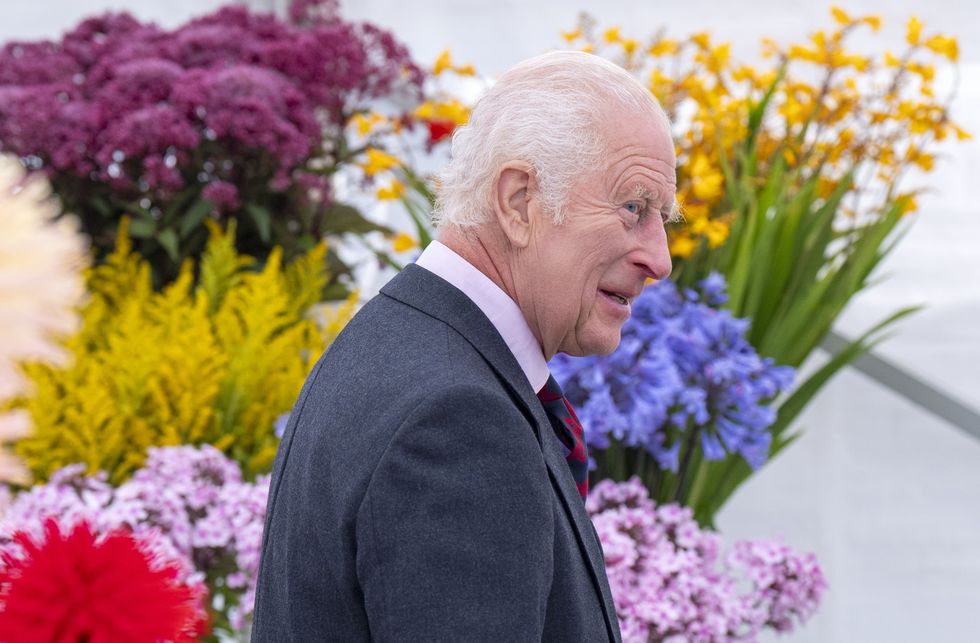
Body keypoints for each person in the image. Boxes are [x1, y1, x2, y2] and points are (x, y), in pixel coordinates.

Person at [251, 50, 677, 641]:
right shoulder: (458, 421)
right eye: (634, 207)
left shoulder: (398, 344)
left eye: (663, 218)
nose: (660, 258)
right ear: (518, 202)